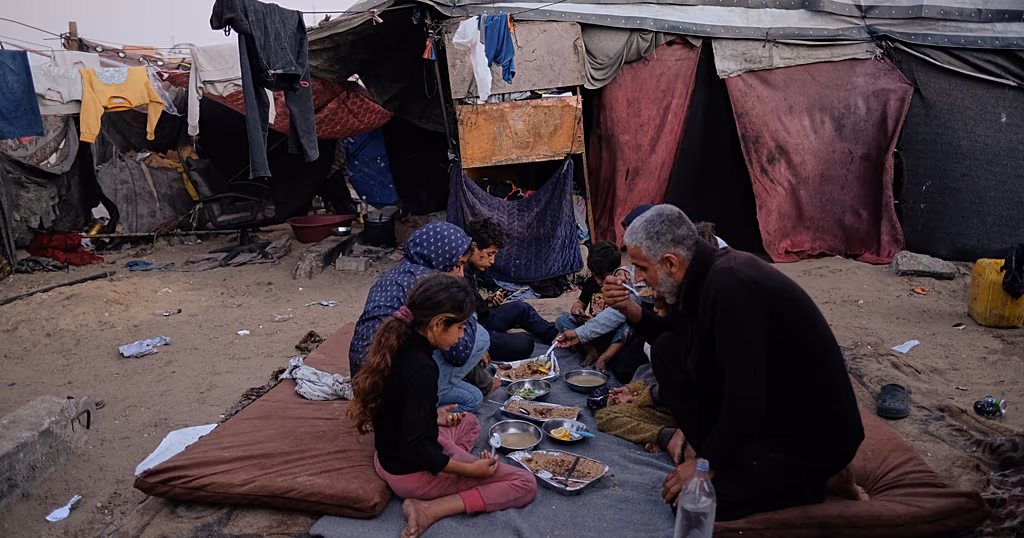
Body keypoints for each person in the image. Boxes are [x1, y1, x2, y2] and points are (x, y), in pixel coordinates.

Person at [599, 204, 864, 522]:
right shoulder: (701, 276)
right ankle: (731, 459)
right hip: (770, 417)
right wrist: (630, 309)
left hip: (809, 436)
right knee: (668, 350)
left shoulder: (730, 285)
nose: (638, 278)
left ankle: (820, 482)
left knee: (694, 504)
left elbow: (745, 399)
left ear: (670, 263)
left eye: (642, 268)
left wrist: (704, 466)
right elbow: (674, 337)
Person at [348, 274, 537, 538]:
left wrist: (431, 416)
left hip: (386, 457)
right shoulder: (423, 368)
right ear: (438, 324)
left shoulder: (399, 341)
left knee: (468, 422)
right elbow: (416, 448)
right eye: (460, 327)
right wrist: (468, 469)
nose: (461, 336)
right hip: (410, 475)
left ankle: (453, 465)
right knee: (524, 483)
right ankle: (432, 509)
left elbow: (393, 407)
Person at [349, 221, 488, 412]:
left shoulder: (395, 275)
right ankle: (417, 409)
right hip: (392, 388)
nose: (461, 274)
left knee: (472, 398)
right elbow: (459, 353)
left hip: (365, 384)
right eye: (458, 265)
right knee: (480, 337)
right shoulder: (431, 287)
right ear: (441, 259)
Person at [464, 217, 559, 363]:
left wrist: (485, 302)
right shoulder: (458, 271)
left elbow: (472, 306)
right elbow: (464, 319)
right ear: (474, 247)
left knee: (522, 308)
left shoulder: (469, 269)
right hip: (472, 330)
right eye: (490, 254)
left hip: (481, 318)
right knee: (525, 344)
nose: (492, 261)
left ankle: (560, 337)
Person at [555, 241, 632, 375]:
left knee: (628, 325)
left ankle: (605, 357)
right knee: (562, 319)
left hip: (613, 334)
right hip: (590, 332)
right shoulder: (591, 283)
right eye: (596, 277)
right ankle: (590, 351)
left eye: (603, 277)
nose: (600, 282)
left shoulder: (622, 286)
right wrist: (577, 310)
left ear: (617, 270)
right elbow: (580, 303)